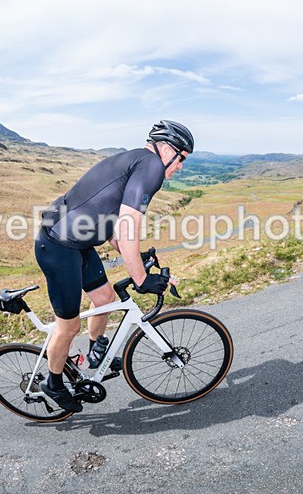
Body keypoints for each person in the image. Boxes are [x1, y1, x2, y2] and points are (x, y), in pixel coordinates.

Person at [34, 120, 192, 412]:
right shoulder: (152, 167)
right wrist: (142, 279)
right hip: (57, 247)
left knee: (105, 299)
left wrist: (138, 258)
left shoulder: (135, 160)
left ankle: (97, 350)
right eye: (181, 157)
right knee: (68, 325)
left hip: (76, 242)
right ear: (166, 148)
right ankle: (53, 384)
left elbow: (107, 221)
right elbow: (128, 226)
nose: (181, 165)